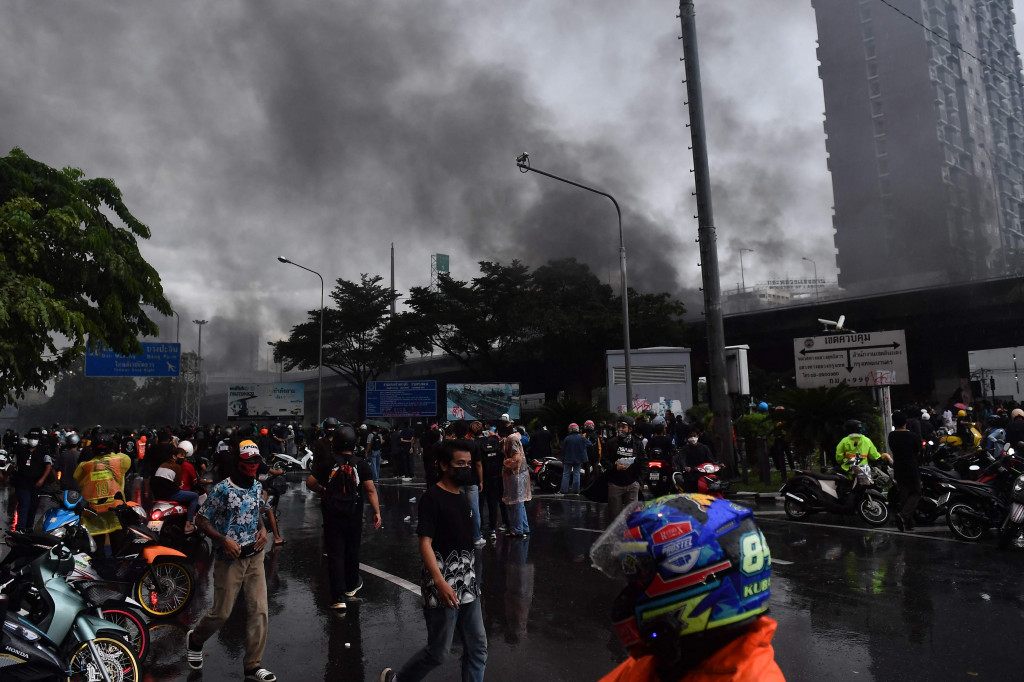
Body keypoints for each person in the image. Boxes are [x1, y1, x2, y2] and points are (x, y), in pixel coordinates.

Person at [591, 494, 783, 682]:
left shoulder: (752, 677)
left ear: (689, 576)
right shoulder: (663, 664)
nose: (631, 591)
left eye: (639, 578)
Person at [380, 439, 488, 682]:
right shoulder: (432, 498)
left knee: (478, 647)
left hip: (468, 584)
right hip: (442, 585)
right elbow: (425, 543)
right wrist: (439, 582)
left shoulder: (463, 498)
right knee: (438, 652)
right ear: (442, 466)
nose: (466, 469)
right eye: (460, 464)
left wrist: (472, 579)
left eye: (469, 464)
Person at [187, 440, 276, 682]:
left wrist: (263, 530)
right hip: (229, 559)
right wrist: (222, 539)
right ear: (239, 462)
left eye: (256, 461)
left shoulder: (258, 486)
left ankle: (252, 665)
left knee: (259, 611)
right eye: (249, 462)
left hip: (255, 557)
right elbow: (201, 520)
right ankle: (195, 639)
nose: (253, 466)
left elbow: (255, 512)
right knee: (222, 613)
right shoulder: (222, 489)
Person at [306, 423, 382, 610]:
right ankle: (350, 587)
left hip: (331, 515)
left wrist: (322, 489)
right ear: (354, 443)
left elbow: (310, 482)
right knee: (352, 551)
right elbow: (370, 490)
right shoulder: (361, 464)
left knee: (335, 553)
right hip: (353, 516)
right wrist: (377, 512)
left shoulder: (328, 463)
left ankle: (338, 597)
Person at [73, 430, 131, 551]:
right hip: (115, 511)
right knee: (119, 548)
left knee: (96, 548)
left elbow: (78, 480)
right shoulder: (121, 460)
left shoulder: (84, 466)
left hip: (94, 513)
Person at [150, 441, 200, 533]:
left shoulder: (163, 464)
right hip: (169, 495)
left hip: (157, 495)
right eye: (181, 456)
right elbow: (179, 485)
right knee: (194, 496)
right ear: (174, 456)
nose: (182, 458)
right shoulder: (177, 467)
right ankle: (188, 524)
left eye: (184, 456)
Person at [604, 417, 646, 523]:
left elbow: (644, 462)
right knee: (614, 517)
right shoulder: (611, 443)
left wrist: (640, 481)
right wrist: (615, 467)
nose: (620, 429)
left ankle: (630, 537)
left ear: (630, 429)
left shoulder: (637, 443)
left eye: (624, 427)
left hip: (632, 484)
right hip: (615, 484)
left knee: (632, 516)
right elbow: (604, 460)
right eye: (619, 426)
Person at [835, 420, 892, 493]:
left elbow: (838, 458)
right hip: (863, 471)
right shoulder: (866, 440)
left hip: (847, 471)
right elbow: (875, 456)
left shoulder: (844, 441)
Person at [12, 427, 53, 530]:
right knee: (24, 504)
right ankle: (21, 527)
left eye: (35, 438)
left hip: (36, 483)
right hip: (22, 483)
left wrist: (42, 479)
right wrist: (5, 476)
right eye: (31, 437)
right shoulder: (20, 450)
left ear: (39, 439)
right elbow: (13, 464)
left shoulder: (44, 451)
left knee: (33, 506)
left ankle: (29, 527)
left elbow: (48, 466)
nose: (33, 440)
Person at [888, 411, 922, 532]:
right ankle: (903, 515)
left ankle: (908, 524)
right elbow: (918, 450)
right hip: (911, 467)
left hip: (898, 467)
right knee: (917, 492)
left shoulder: (891, 436)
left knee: (905, 495)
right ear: (905, 422)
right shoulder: (913, 436)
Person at [501, 426, 531, 537]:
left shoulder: (511, 440)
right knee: (519, 502)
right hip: (519, 473)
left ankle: (518, 529)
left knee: (516, 502)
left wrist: (506, 463)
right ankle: (523, 527)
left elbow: (516, 457)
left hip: (516, 474)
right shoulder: (514, 438)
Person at [479, 423, 506, 540]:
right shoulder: (496, 444)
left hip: (482, 478)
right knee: (493, 505)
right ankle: (492, 529)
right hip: (495, 478)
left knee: (479, 504)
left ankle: (479, 528)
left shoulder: (477, 444)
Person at [673, 429, 714, 494]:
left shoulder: (704, 448)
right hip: (690, 477)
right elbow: (682, 459)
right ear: (687, 438)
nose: (692, 438)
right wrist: (685, 467)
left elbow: (710, 460)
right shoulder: (684, 449)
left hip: (702, 476)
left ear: (698, 436)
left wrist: (718, 465)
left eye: (694, 436)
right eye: (690, 436)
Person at [560, 423, 590, 495]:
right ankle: (576, 490)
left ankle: (564, 490)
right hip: (578, 459)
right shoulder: (581, 438)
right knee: (577, 474)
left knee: (566, 474)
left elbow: (563, 449)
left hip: (568, 459)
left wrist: (562, 459)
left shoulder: (567, 438)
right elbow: (589, 444)